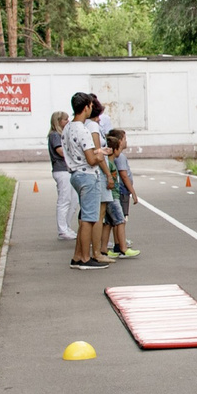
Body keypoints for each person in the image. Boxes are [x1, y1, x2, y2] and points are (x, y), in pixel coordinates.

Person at [65, 92, 110, 269]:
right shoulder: (83, 130)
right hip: (88, 175)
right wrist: (101, 155)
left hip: (75, 174)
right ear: (86, 107)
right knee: (89, 219)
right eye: (91, 106)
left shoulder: (68, 127)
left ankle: (77, 256)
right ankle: (85, 258)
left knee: (85, 216)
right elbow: (91, 159)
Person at [101, 128, 141, 259]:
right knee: (120, 220)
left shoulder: (108, 163)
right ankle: (123, 248)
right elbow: (120, 177)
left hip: (109, 197)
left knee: (108, 223)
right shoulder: (111, 164)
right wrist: (133, 193)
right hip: (114, 197)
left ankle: (103, 249)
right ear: (114, 150)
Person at [46, 109, 77, 241]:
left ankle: (67, 226)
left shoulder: (63, 134)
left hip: (68, 170)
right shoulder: (55, 135)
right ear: (58, 121)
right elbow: (60, 151)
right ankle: (62, 229)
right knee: (64, 200)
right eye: (65, 119)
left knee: (73, 200)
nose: (67, 121)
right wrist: (75, 155)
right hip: (61, 170)